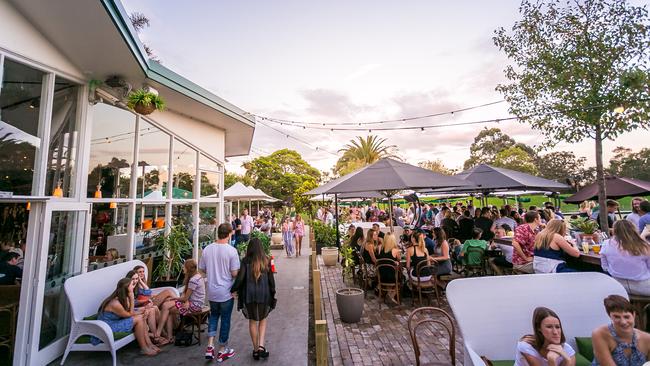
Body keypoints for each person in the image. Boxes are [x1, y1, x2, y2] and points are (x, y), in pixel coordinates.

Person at [199, 223, 240, 361]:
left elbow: (202, 269)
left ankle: (210, 346)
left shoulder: (207, 249)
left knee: (214, 316)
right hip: (226, 292)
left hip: (211, 291)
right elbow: (234, 273)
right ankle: (222, 350)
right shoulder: (231, 251)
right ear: (229, 234)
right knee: (225, 320)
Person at [231, 238, 276, 360]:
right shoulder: (266, 260)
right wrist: (273, 293)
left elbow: (240, 279)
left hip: (248, 295)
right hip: (264, 294)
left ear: (249, 248)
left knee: (252, 321)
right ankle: (261, 346)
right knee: (263, 319)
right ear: (261, 248)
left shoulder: (245, 261)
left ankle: (256, 350)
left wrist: (233, 289)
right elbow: (271, 280)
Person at [95, 278, 160, 356]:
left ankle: (149, 344)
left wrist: (145, 310)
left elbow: (130, 312)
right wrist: (132, 298)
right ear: (126, 289)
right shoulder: (115, 303)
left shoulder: (122, 299)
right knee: (139, 318)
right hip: (107, 327)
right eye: (132, 285)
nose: (133, 287)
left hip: (113, 322)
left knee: (141, 317)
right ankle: (144, 348)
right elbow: (130, 314)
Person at [155, 259, 205, 344]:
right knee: (168, 309)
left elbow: (185, 298)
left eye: (184, 267)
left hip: (194, 306)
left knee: (166, 305)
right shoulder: (197, 276)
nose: (182, 268)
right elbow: (186, 295)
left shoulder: (193, 280)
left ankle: (158, 333)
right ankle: (168, 337)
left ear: (188, 269)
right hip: (195, 303)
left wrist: (174, 298)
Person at [592, 294, 650, 365]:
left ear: (634, 315)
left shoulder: (647, 338)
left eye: (626, 317)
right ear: (610, 316)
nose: (623, 322)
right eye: (617, 317)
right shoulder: (600, 334)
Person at [600, 220, 650, 296]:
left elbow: (605, 267)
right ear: (634, 229)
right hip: (644, 288)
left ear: (614, 230)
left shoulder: (606, 244)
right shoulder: (643, 246)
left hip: (618, 286)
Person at [375, 233, 401, 304]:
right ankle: (391, 294)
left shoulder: (380, 247)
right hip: (391, 277)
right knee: (402, 278)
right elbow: (399, 260)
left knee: (390, 271)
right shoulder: (395, 250)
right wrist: (395, 261)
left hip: (381, 276)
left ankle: (387, 291)